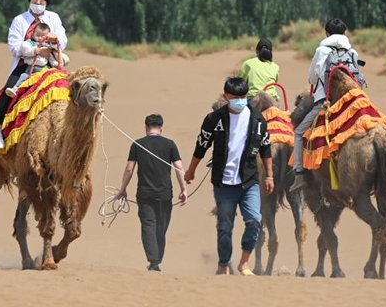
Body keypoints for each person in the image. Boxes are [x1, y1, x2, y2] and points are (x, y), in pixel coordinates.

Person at [184, 77, 274, 276]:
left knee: (254, 220)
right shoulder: (214, 119)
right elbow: (201, 146)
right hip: (223, 183)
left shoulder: (258, 119)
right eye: (235, 97)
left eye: (243, 97)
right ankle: (224, 265)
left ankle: (244, 262)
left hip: (249, 182)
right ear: (226, 97)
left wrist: (269, 176)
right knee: (225, 227)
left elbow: (265, 148)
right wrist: (191, 171)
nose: (240, 101)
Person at [0, 0, 68, 150]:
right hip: (25, 64)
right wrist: (35, 51)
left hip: (50, 64)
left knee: (69, 90)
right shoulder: (19, 20)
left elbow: (63, 39)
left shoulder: (53, 18)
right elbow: (14, 46)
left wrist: (56, 41)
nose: (39, 2)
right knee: (8, 90)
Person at [289, 18, 362, 192]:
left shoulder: (321, 51)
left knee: (299, 133)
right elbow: (358, 78)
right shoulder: (353, 52)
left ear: (326, 33)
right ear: (344, 33)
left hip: (326, 101)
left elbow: (312, 79)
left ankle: (299, 174)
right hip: (352, 102)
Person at [117, 114, 188, 273]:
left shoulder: (138, 144)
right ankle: (155, 260)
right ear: (161, 128)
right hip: (164, 194)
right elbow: (179, 168)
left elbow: (129, 169)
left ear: (146, 127)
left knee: (148, 226)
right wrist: (184, 189)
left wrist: (122, 189)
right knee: (160, 228)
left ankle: (154, 261)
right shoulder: (170, 145)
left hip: (145, 194)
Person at [3, 23, 61, 98]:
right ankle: (16, 88)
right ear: (33, 34)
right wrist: (34, 51)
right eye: (38, 35)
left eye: (43, 36)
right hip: (32, 68)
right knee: (24, 76)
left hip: (45, 68)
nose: (40, 38)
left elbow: (56, 49)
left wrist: (54, 41)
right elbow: (24, 49)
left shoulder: (47, 46)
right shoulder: (29, 43)